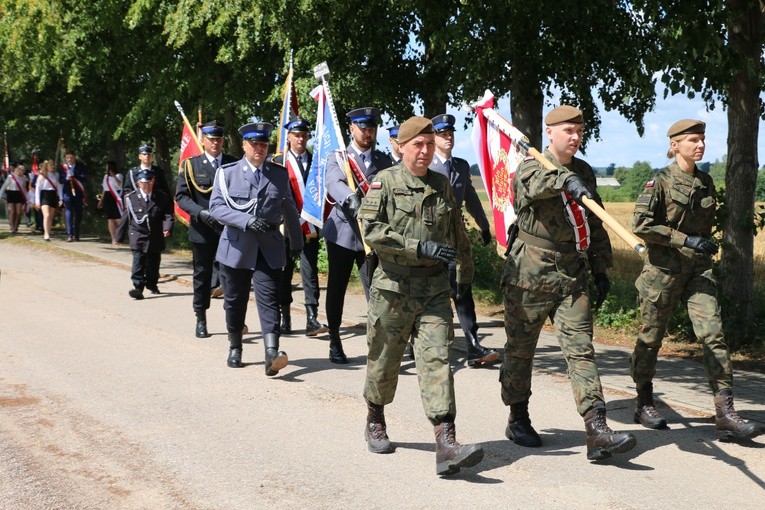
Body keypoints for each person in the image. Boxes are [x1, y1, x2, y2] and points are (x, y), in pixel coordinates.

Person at [499, 105, 636, 461]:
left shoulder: (585, 172)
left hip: (572, 274)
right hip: (529, 274)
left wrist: (601, 268)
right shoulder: (531, 165)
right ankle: (518, 417)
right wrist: (565, 180)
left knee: (580, 349)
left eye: (579, 131)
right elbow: (533, 186)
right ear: (551, 134)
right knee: (520, 350)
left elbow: (596, 222)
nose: (575, 137)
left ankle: (596, 428)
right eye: (568, 131)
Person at [359, 116, 484, 476]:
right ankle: (375, 418)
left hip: (432, 290)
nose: (426, 151)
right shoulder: (385, 183)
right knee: (384, 361)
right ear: (401, 147)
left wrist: (464, 273)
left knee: (437, 360)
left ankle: (446, 442)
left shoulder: (442, 185)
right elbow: (372, 230)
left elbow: (457, 232)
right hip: (393, 289)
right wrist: (418, 247)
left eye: (430, 144)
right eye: (419, 145)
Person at [631, 119, 764, 440]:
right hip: (661, 274)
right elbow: (641, 224)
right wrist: (685, 240)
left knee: (713, 335)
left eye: (702, 139)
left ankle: (725, 411)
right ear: (675, 145)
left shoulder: (705, 181)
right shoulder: (659, 182)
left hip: (697, 272)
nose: (700, 144)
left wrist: (703, 242)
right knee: (650, 341)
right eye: (692, 140)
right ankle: (644, 401)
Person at [209, 121, 303, 374]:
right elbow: (217, 208)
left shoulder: (279, 174)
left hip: (269, 248)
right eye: (254, 144)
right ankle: (235, 345)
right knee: (235, 300)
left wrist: (297, 241)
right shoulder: (227, 173)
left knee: (269, 298)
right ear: (244, 145)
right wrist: (246, 220)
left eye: (263, 144)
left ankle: (271, 353)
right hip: (236, 247)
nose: (259, 148)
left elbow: (289, 208)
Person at [323, 107, 392, 364]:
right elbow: (333, 182)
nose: (367, 132)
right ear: (351, 128)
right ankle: (334, 341)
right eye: (362, 127)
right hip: (342, 233)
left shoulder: (384, 162)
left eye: (371, 128)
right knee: (337, 288)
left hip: (370, 237)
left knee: (375, 290)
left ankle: (380, 343)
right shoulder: (338, 157)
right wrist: (350, 197)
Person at [430, 113, 499, 367]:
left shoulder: (459, 165)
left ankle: (472, 343)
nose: (448, 137)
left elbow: (470, 198)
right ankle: (429, 343)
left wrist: (484, 226)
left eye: (450, 133)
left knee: (462, 286)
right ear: (433, 137)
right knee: (434, 290)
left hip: (456, 235)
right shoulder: (427, 166)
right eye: (442, 134)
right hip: (432, 235)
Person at [175, 120, 238, 338]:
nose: (215, 143)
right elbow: (181, 197)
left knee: (231, 276)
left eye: (219, 139)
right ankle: (201, 317)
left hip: (228, 230)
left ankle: (233, 321)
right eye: (211, 139)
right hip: (202, 230)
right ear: (203, 141)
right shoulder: (192, 165)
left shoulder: (233, 163)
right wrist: (200, 213)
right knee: (202, 275)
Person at [272, 117, 328, 337]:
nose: (301, 139)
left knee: (310, 271)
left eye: (304, 135)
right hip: (284, 226)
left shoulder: (317, 161)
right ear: (289, 137)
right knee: (284, 273)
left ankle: (312, 318)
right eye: (296, 135)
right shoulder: (278, 161)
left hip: (309, 226)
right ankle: (285, 317)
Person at [116, 169, 174, 300]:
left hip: (155, 235)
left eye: (149, 182)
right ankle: (138, 288)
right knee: (138, 262)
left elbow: (168, 214)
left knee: (153, 263)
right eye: (143, 183)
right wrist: (118, 236)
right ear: (138, 183)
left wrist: (167, 228)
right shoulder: (130, 198)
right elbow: (126, 216)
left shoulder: (161, 197)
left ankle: (152, 285)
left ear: (153, 182)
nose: (146, 186)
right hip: (137, 234)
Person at [60, 150, 87, 242]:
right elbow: (60, 180)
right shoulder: (63, 168)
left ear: (74, 157)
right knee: (69, 212)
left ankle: (77, 233)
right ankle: (69, 234)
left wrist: (74, 175)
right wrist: (66, 178)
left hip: (78, 193)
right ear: (65, 159)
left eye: (71, 157)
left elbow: (84, 177)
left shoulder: (80, 166)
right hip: (67, 192)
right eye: (67, 158)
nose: (69, 159)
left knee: (78, 213)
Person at [34, 160, 63, 241]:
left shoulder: (56, 175)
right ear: (46, 166)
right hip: (44, 195)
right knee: (46, 215)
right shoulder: (41, 176)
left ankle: (48, 232)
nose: (53, 166)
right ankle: (46, 233)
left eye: (53, 165)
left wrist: (61, 198)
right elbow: (37, 189)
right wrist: (37, 201)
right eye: (51, 165)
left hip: (53, 195)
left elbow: (59, 187)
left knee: (50, 216)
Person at [96, 161, 123, 245]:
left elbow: (119, 184)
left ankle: (119, 238)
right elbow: (104, 189)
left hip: (116, 197)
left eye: (108, 167)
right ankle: (113, 239)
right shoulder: (106, 177)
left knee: (119, 219)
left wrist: (113, 175)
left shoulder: (119, 175)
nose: (107, 169)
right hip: (108, 197)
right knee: (110, 219)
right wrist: (101, 201)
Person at [0, 164, 28, 233]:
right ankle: (12, 227)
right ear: (17, 169)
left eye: (23, 171)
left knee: (18, 212)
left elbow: (24, 189)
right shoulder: (10, 176)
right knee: (12, 211)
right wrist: (0, 195)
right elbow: (4, 186)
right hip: (11, 194)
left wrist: (27, 198)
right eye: (20, 170)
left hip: (19, 195)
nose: (21, 172)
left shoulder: (23, 178)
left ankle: (16, 225)